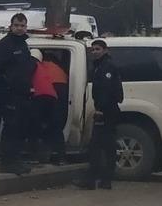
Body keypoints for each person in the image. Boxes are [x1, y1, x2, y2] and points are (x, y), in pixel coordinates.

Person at [0, 13, 36, 175]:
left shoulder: (23, 45)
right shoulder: (5, 45)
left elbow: (25, 70)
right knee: (11, 128)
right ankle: (8, 162)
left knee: (20, 128)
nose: (19, 28)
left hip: (22, 94)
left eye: (22, 26)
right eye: (16, 25)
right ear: (11, 26)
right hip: (9, 94)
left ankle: (16, 159)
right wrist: (3, 90)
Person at [76, 39, 123, 190]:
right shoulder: (100, 66)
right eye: (93, 49)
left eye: (98, 49)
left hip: (106, 111)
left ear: (105, 50)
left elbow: (106, 90)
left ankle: (93, 180)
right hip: (107, 110)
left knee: (97, 146)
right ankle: (104, 180)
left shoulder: (106, 67)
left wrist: (100, 110)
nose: (94, 52)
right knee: (105, 145)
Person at [26, 48, 57, 163]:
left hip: (39, 97)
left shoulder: (31, 64)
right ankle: (45, 154)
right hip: (51, 98)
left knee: (33, 127)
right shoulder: (42, 67)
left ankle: (34, 156)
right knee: (45, 127)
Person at [42, 51, 69, 165]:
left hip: (49, 98)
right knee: (57, 129)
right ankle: (61, 157)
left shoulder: (42, 66)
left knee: (46, 127)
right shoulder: (60, 69)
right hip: (61, 99)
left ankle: (44, 156)